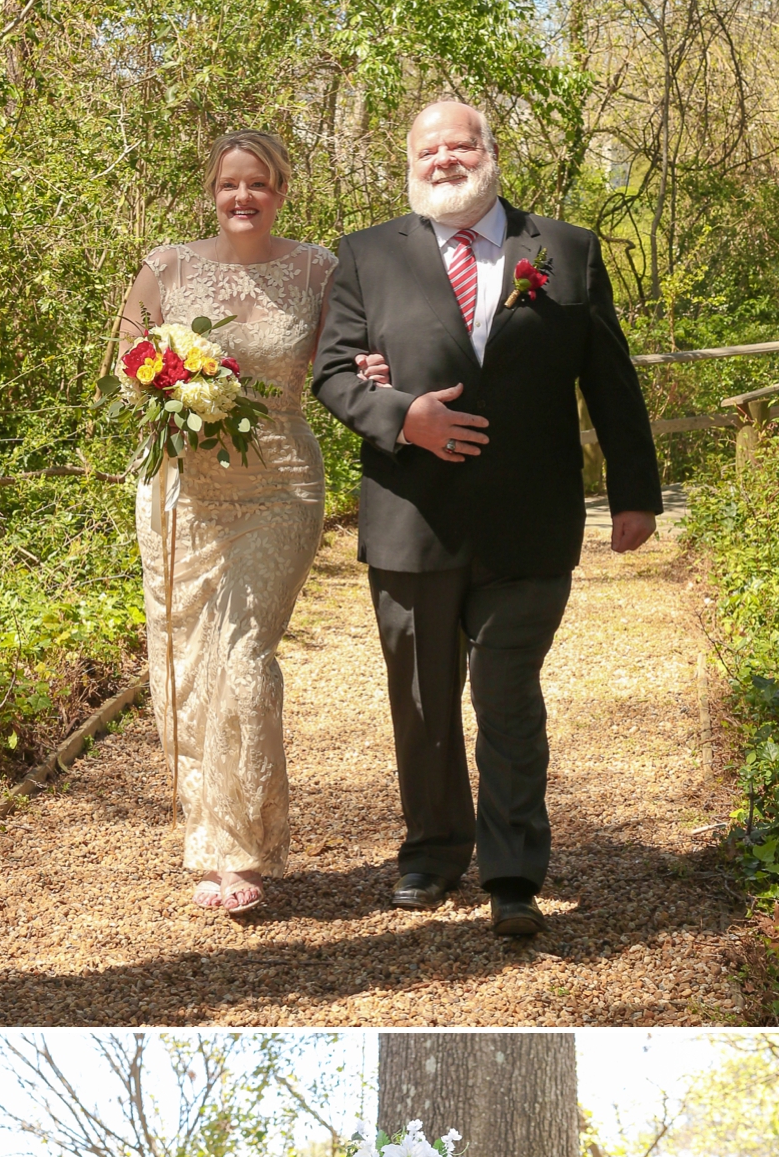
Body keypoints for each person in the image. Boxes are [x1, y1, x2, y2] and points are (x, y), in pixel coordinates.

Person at [311, 98, 662, 943]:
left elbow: (609, 378)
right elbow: (331, 375)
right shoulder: (363, 255)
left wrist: (635, 491)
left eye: (458, 145)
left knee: (507, 696)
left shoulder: (565, 249)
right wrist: (403, 417)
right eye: (427, 149)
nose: (444, 160)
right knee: (425, 701)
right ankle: (433, 851)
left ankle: (513, 871)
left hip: (528, 521)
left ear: (490, 152)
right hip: (411, 516)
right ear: (410, 161)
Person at [118, 130, 339, 914]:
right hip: (182, 489)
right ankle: (206, 847)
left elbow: (343, 359)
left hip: (280, 483)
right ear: (211, 191)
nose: (241, 197)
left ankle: (244, 851)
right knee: (186, 664)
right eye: (227, 185)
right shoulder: (168, 266)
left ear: (281, 189)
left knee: (244, 660)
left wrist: (375, 368)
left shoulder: (318, 269)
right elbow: (128, 363)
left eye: (258, 184)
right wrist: (172, 383)